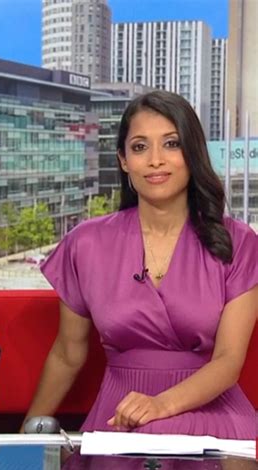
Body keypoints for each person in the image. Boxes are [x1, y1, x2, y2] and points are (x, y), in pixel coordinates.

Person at [24, 90, 257, 439]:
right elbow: (68, 354)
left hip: (209, 415)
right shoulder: (85, 243)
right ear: (123, 160)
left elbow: (228, 361)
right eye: (139, 147)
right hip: (119, 415)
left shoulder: (238, 242)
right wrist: (24, 437)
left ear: (192, 153)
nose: (155, 160)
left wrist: (161, 405)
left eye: (171, 144)